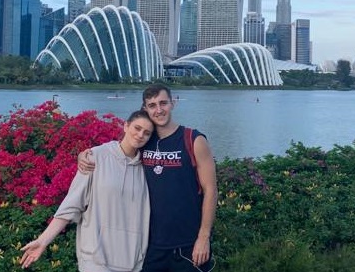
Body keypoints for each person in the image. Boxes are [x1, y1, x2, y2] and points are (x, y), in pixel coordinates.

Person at [79, 84, 218, 272]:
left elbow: (210, 190)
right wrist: (86, 154)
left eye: (163, 103)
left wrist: (204, 237)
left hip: (188, 245)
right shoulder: (143, 141)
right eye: (152, 105)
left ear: (173, 103)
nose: (158, 110)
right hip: (150, 246)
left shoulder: (193, 139)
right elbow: (115, 152)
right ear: (145, 109)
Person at [20, 109, 154, 271]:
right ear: (126, 126)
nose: (140, 135)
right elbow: (72, 204)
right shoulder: (95, 157)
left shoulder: (146, 168)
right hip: (95, 260)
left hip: (131, 262)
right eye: (137, 128)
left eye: (146, 133)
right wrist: (43, 240)